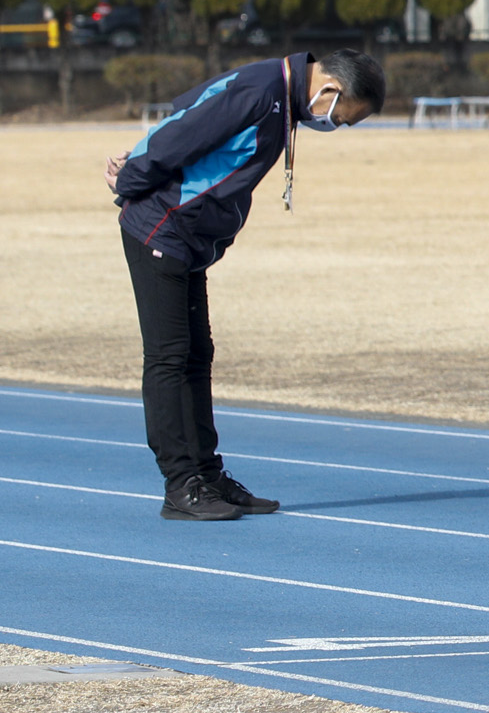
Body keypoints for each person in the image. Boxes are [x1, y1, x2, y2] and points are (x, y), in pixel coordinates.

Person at [105, 50, 385, 521]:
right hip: (161, 228)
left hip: (188, 236)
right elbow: (185, 127)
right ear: (330, 90)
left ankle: (207, 474)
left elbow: (189, 103)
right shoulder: (263, 93)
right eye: (343, 118)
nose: (336, 126)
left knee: (197, 354)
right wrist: (133, 175)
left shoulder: (280, 95)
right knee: (170, 357)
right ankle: (181, 483)